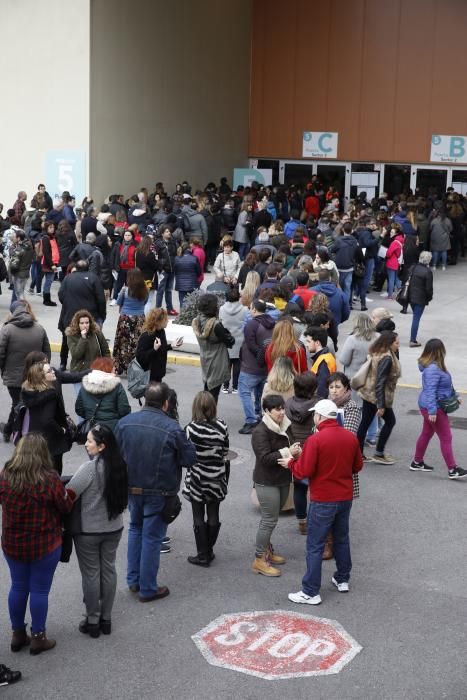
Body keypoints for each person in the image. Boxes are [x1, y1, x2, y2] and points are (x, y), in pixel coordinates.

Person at [115, 382, 196, 602]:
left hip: (132, 488)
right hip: (159, 492)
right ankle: (148, 588)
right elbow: (190, 459)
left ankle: (133, 581)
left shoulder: (125, 423)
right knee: (152, 538)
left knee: (135, 529)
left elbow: (114, 454)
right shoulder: (172, 428)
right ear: (166, 402)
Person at [280, 399, 363, 605]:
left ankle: (310, 591)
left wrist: (290, 462)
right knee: (341, 538)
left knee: (315, 545)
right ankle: (342, 578)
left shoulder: (315, 440)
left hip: (323, 499)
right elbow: (357, 466)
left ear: (320, 417)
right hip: (344, 497)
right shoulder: (350, 438)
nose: (313, 418)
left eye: (314, 415)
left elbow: (303, 471)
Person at [0, 434, 74, 653]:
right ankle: (38, 636)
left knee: (18, 586)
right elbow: (65, 507)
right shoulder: (49, 478)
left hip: (13, 543)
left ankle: (17, 634)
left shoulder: (5, 475)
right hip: (45, 543)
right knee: (40, 590)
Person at [67, 425, 128, 637]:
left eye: (90, 441)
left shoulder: (89, 469)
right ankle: (107, 618)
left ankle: (92, 620)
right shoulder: (120, 466)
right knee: (109, 570)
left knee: (91, 574)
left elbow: (69, 495)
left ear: (102, 446)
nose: (86, 444)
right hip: (114, 527)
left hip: (89, 532)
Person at [250, 394, 301, 576]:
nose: (281, 412)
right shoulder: (260, 432)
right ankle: (259, 560)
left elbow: (292, 444)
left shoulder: (285, 425)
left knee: (273, 519)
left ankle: (267, 550)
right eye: (277, 409)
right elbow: (264, 458)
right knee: (269, 520)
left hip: (283, 478)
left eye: (282, 408)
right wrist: (289, 451)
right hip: (267, 482)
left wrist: (296, 451)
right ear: (266, 411)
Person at [182, 391, 229, 566]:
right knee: (214, 513)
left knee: (198, 515)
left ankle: (202, 554)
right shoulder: (222, 426)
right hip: (216, 477)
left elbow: (186, 456)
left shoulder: (190, 428)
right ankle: (209, 550)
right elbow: (225, 453)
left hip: (197, 478)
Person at [411, 339, 466, 479]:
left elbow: (446, 385)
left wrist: (456, 395)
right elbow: (430, 391)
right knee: (446, 437)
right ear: (439, 351)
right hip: (434, 407)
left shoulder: (435, 365)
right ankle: (453, 470)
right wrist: (432, 411)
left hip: (431, 405)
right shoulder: (432, 369)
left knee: (426, 433)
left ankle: (417, 462)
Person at [0, 301, 51, 443]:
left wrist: (3, 370)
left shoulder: (7, 329)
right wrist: (43, 369)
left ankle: (14, 432)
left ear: (12, 312)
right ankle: (10, 429)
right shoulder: (39, 328)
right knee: (21, 403)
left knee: (18, 404)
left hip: (13, 378)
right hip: (35, 375)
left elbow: (1, 354)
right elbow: (46, 352)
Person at [356, 331, 401, 464]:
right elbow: (380, 382)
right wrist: (381, 405)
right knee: (390, 421)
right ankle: (379, 453)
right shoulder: (386, 358)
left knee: (364, 423)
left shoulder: (377, 351)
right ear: (389, 343)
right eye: (396, 343)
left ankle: (358, 454)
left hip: (368, 393)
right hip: (377, 397)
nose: (398, 346)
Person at [21, 360, 71, 475]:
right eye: (49, 371)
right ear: (41, 376)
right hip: (51, 442)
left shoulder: (30, 392)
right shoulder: (50, 395)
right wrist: (61, 430)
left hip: (33, 440)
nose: (53, 371)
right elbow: (47, 420)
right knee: (54, 474)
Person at [285, 372, 318, 535]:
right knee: (317, 488)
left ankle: (302, 523)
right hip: (314, 450)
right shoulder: (318, 405)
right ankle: (316, 521)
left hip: (295, 449)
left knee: (299, 487)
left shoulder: (288, 404)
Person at [58, 259, 107, 369]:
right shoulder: (94, 278)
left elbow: (61, 295)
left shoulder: (68, 278)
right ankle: (92, 365)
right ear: (88, 267)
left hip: (70, 315)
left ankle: (63, 363)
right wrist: (101, 315)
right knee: (91, 340)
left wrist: (68, 304)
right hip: (89, 317)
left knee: (66, 339)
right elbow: (101, 299)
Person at [238, 299, 275, 434]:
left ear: (254, 309)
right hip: (266, 367)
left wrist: (260, 356)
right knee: (260, 393)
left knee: (244, 392)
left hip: (250, 367)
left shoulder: (251, 325)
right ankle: (259, 414)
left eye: (250, 308)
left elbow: (251, 344)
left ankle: (251, 420)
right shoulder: (272, 323)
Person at [192, 294, 233, 403]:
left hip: (205, 358)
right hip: (217, 362)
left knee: (207, 389)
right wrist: (228, 334)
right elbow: (230, 341)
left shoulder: (197, 321)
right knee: (213, 394)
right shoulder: (216, 325)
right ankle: (208, 416)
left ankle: (205, 415)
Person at [75, 357, 131, 432]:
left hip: (91, 430)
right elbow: (124, 410)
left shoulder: (85, 385)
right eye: (113, 367)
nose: (115, 370)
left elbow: (79, 409)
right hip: (112, 429)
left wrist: (90, 417)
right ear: (108, 369)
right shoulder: (116, 386)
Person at [113, 268, 148, 375]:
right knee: (137, 343)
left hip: (126, 319)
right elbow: (145, 302)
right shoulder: (145, 290)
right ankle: (134, 366)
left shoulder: (125, 290)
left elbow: (118, 302)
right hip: (140, 319)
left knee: (123, 342)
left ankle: (120, 365)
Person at [338, 313, 378, 402]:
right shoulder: (378, 337)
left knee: (356, 406)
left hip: (356, 379)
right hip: (373, 377)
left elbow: (344, 360)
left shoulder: (352, 339)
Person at [218, 286, 248, 394]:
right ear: (239, 297)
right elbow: (246, 323)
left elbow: (220, 323)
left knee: (226, 363)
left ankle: (225, 386)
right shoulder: (244, 309)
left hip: (226, 339)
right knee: (237, 363)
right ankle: (236, 387)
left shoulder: (222, 309)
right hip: (239, 339)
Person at [407, 251, 434, 348]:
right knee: (416, 318)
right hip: (420, 298)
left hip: (410, 296)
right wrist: (429, 297)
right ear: (428, 260)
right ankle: (412, 340)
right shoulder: (427, 272)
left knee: (415, 316)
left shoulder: (413, 267)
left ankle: (413, 339)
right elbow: (428, 289)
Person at [304, 327, 337, 398]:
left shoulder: (323, 361)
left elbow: (322, 390)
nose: (306, 345)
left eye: (309, 341)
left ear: (317, 343)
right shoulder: (326, 356)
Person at [155, 225, 178, 316]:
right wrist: (161, 265)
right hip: (163, 270)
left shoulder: (173, 242)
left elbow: (175, 254)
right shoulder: (158, 243)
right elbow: (155, 257)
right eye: (167, 232)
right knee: (160, 290)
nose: (169, 233)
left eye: (169, 231)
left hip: (172, 269)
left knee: (169, 290)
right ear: (162, 233)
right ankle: (158, 309)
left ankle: (170, 308)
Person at [8, 229, 34, 304]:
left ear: (19, 238)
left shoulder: (19, 249)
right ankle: (21, 308)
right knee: (21, 293)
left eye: (15, 237)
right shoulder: (29, 247)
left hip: (18, 273)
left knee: (19, 294)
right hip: (25, 273)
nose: (13, 238)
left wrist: (12, 246)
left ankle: (21, 310)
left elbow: (14, 262)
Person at [174, 241, 202, 308]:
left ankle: (182, 317)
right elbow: (199, 272)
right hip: (192, 284)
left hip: (180, 284)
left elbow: (175, 271)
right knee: (193, 303)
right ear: (190, 249)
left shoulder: (177, 258)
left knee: (182, 302)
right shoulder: (194, 258)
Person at [41, 220, 60, 306]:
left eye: (53, 227)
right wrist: (52, 265)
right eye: (50, 227)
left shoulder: (52, 237)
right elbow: (46, 252)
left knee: (49, 281)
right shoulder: (46, 238)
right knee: (48, 281)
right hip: (49, 263)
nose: (52, 229)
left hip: (53, 262)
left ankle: (47, 299)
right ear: (46, 228)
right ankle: (46, 300)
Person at [384, 223, 404, 299]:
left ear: (396, 233)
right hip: (397, 262)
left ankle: (390, 295)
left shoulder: (394, 242)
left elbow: (389, 253)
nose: (390, 234)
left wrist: (386, 253)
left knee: (391, 279)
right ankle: (401, 292)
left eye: (392, 232)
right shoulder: (400, 240)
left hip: (391, 262)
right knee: (396, 278)